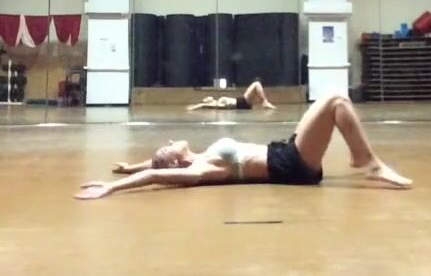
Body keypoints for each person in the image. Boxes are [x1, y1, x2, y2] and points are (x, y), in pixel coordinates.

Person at [75, 94, 412, 199]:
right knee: (336, 101)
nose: (170, 142)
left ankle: (364, 159)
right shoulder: (200, 170)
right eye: (168, 149)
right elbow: (155, 176)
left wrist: (131, 166)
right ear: (175, 163)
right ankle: (368, 162)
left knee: (334, 101)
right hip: (291, 165)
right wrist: (110, 188)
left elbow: (153, 167)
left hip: (284, 150)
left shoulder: (199, 157)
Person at [186, 79, 275, 111]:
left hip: (241, 101)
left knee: (256, 84)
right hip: (242, 102)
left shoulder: (218, 102)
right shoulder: (217, 104)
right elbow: (203, 105)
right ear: (209, 102)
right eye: (207, 99)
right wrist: (194, 107)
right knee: (256, 84)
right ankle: (265, 102)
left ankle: (264, 102)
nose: (208, 97)